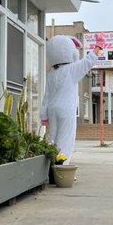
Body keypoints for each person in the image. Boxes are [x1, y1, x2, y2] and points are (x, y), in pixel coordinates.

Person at [40, 35, 102, 164]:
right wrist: (98, 47)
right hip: (66, 109)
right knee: (66, 139)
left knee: (53, 138)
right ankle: (62, 169)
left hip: (52, 109)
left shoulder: (50, 74)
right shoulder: (71, 70)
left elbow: (47, 96)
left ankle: (50, 166)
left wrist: (43, 116)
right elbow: (87, 62)